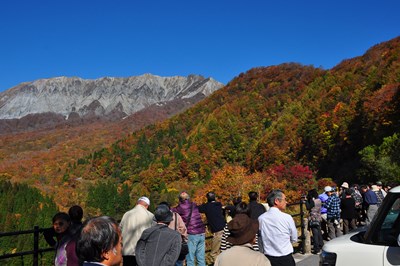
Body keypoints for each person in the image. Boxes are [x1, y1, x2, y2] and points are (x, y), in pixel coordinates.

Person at [259, 189, 297, 266]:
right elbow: (294, 238)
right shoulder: (287, 217)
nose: (286, 202)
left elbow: (261, 239)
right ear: (276, 201)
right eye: (284, 199)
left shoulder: (261, 218)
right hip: (286, 258)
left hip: (269, 258)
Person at [172, 191, 206, 266]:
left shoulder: (180, 207)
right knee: (201, 258)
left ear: (180, 199)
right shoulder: (193, 204)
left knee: (190, 258)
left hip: (192, 234)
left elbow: (171, 211)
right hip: (201, 232)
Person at [120, 196, 154, 266]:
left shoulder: (127, 214)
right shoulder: (150, 216)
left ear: (137, 203)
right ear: (147, 206)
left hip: (127, 250)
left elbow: (120, 229)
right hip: (142, 251)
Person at [198, 192, 226, 264]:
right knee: (221, 251)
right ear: (215, 197)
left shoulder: (207, 206)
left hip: (218, 232)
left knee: (213, 253)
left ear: (207, 198)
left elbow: (198, 208)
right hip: (225, 229)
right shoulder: (218, 204)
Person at [159, 201, 188, 266]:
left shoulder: (158, 217)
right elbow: (183, 229)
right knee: (178, 263)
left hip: (164, 245)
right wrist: (185, 239)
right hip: (176, 243)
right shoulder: (176, 215)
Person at [305, 189, 323, 254]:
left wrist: (306, 201)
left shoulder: (312, 201)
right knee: (319, 232)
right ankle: (321, 245)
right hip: (319, 217)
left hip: (313, 218)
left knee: (315, 233)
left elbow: (308, 207)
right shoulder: (319, 200)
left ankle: (316, 248)